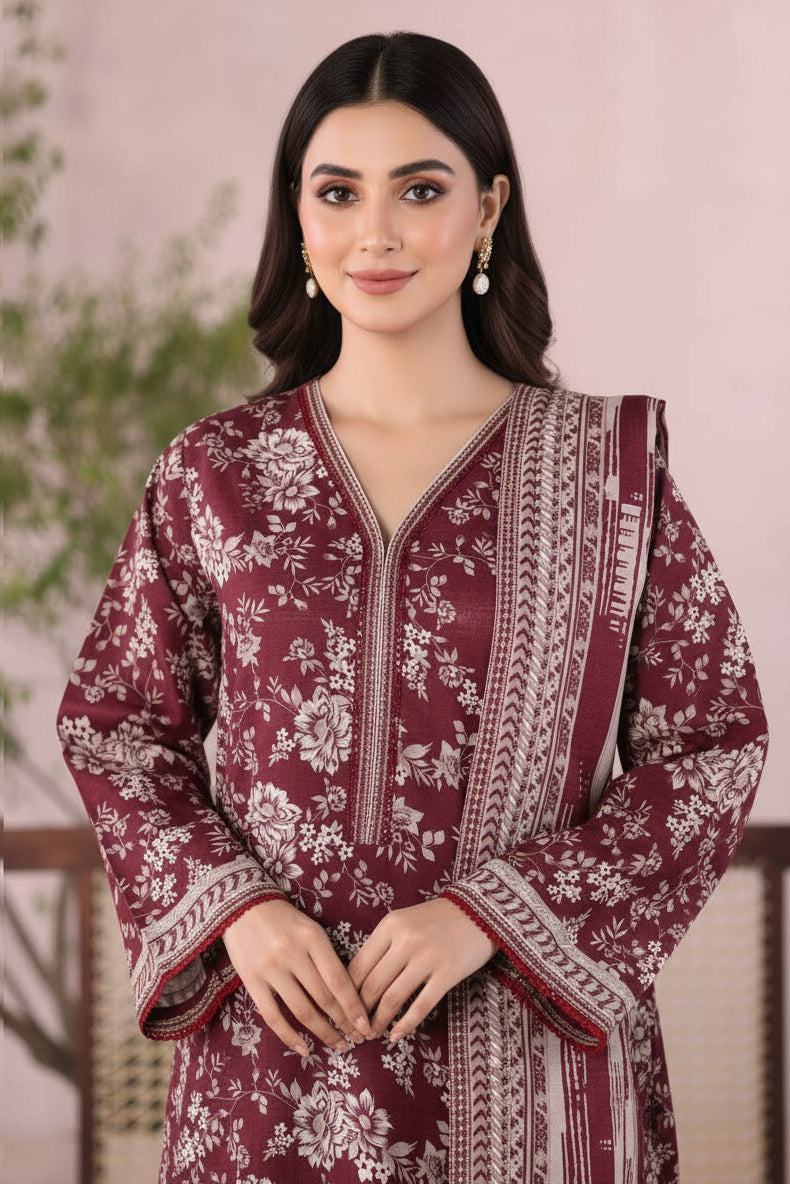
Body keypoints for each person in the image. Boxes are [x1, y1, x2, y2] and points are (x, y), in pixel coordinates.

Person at [57, 31, 768, 1184]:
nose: (374, 234)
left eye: (419, 189)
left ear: (487, 209)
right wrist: (237, 909)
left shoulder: (605, 471)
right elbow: (118, 722)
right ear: (297, 216)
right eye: (337, 192)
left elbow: (711, 744)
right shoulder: (215, 474)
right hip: (270, 1057)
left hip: (527, 1066)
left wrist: (493, 914)